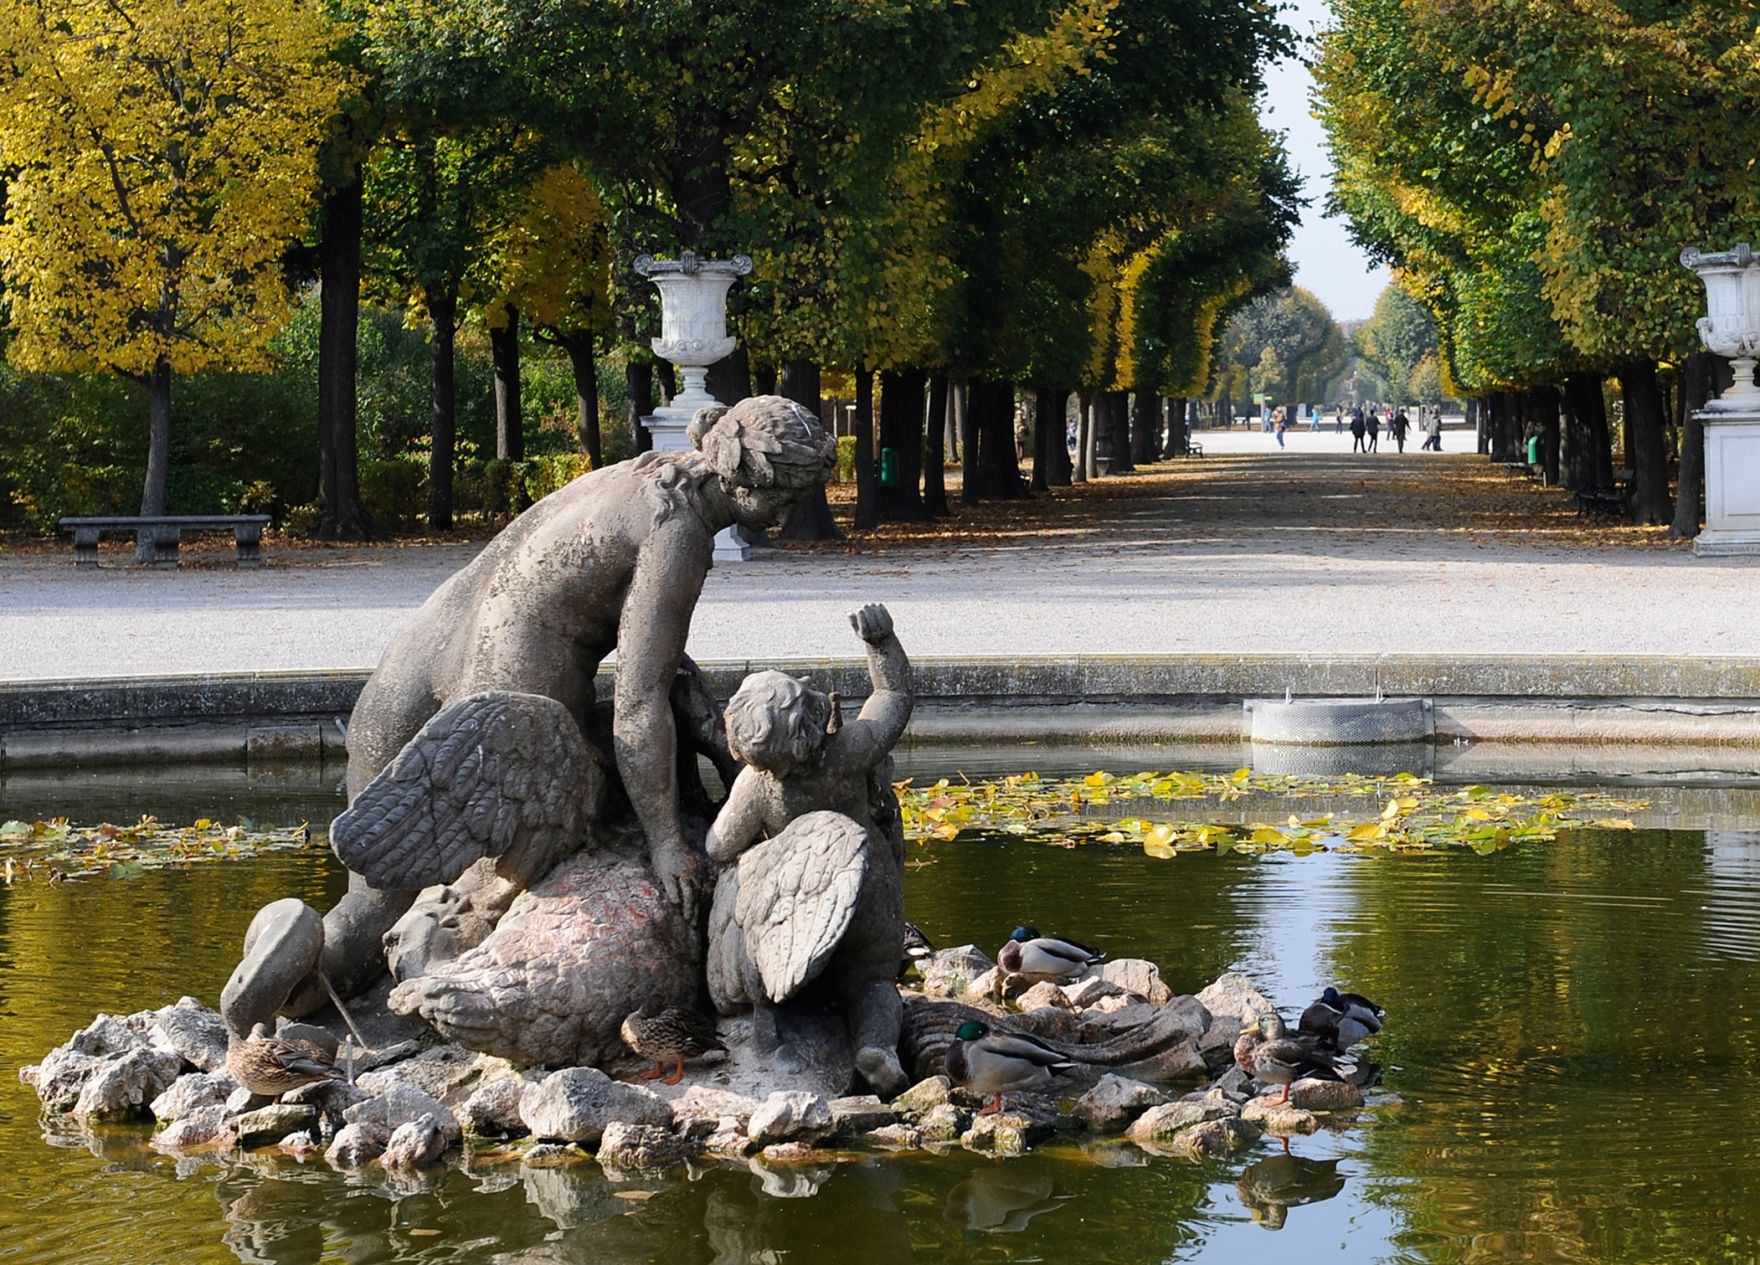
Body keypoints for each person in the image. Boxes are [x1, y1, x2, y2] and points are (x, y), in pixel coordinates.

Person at [330, 396, 838, 988]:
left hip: (423, 648)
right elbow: (638, 702)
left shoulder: (653, 471)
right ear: (749, 484)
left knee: (366, 905)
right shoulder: (678, 532)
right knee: (582, 804)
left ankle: (284, 986)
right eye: (788, 498)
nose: (788, 515)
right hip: (508, 682)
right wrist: (666, 841)